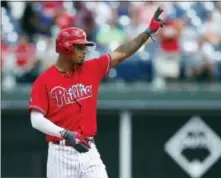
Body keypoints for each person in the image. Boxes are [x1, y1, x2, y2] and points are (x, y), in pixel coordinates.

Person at [28, 7, 165, 178]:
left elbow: (121, 53)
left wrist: (148, 32)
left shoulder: (91, 68)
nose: (84, 51)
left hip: (88, 149)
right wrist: (64, 133)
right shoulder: (45, 80)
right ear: (65, 48)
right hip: (60, 153)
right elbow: (36, 120)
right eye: (79, 47)